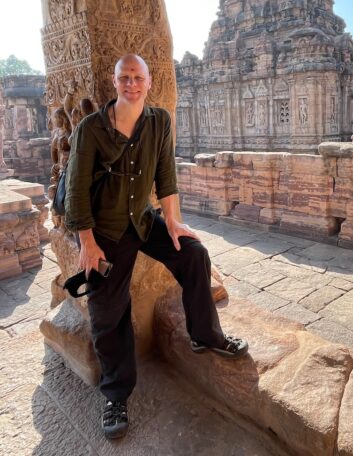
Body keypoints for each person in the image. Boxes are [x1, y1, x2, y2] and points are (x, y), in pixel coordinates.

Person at [64, 53, 248, 439]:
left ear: (149, 82)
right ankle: (116, 394)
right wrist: (87, 242)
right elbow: (78, 190)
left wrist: (175, 220)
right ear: (114, 82)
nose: (131, 83)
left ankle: (205, 335)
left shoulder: (159, 121)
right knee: (107, 313)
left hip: (144, 221)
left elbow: (166, 173)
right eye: (124, 77)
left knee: (194, 254)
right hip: (108, 231)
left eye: (137, 77)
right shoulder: (90, 129)